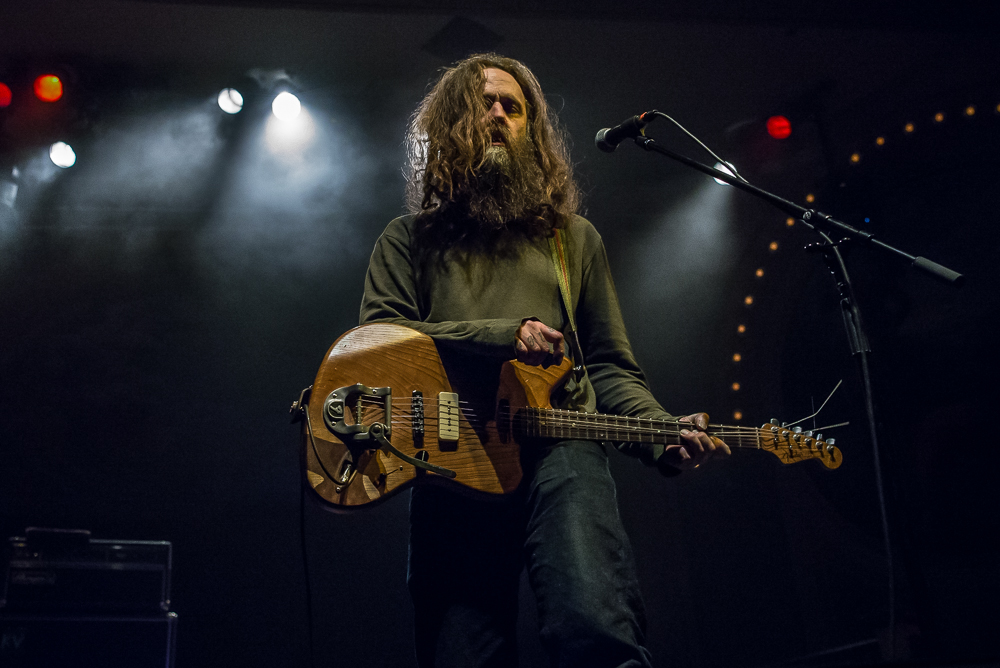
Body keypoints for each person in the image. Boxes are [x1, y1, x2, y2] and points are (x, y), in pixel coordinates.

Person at [360, 53, 729, 668]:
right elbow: (379, 343)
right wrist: (503, 333)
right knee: (461, 650)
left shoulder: (572, 240)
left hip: (563, 452)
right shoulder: (407, 240)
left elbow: (608, 366)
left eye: (515, 106)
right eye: (486, 104)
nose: (501, 115)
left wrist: (659, 431)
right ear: (452, 123)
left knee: (595, 627)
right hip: (452, 462)